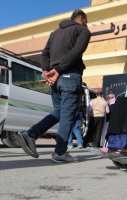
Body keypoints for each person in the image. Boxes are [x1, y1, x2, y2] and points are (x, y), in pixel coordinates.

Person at [16, 9, 91, 163]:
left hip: (55, 80)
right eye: (86, 21)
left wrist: (46, 70)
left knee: (59, 111)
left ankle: (30, 134)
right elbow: (77, 52)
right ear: (82, 19)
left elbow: (45, 54)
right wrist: (58, 69)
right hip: (69, 76)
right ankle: (60, 152)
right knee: (68, 115)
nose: (87, 24)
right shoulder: (83, 30)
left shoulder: (55, 33)